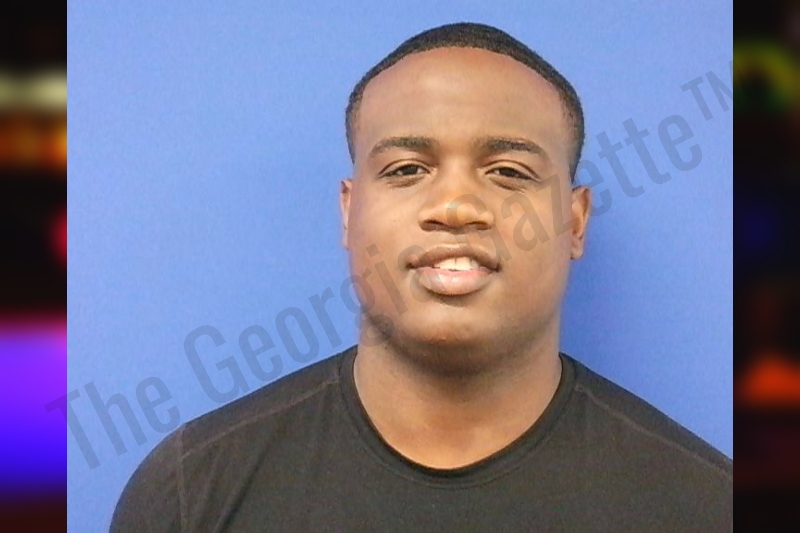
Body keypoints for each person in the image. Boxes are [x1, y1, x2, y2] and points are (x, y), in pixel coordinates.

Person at [110, 22, 732, 532]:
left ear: (575, 221)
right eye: (407, 169)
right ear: (349, 211)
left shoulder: (706, 506)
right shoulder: (191, 494)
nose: (455, 206)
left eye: (509, 172)